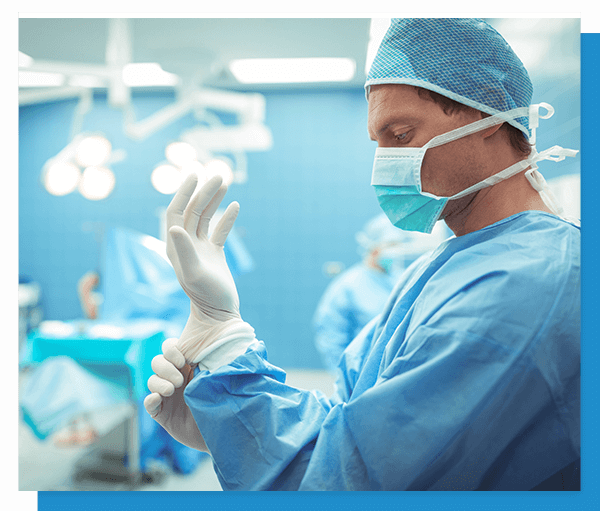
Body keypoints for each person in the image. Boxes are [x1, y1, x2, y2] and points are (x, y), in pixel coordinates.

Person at [143, 19, 580, 490]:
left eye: (401, 134)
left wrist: (225, 345)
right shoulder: (441, 266)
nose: (385, 162)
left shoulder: (525, 285)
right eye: (379, 142)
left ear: (488, 120)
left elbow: (351, 481)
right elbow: (351, 420)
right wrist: (228, 416)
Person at [313, 214, 447, 373]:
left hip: (398, 370)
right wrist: (344, 376)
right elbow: (331, 337)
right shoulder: (347, 286)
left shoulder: (402, 279)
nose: (395, 251)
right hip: (360, 371)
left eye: (397, 245)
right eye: (390, 245)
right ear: (373, 246)